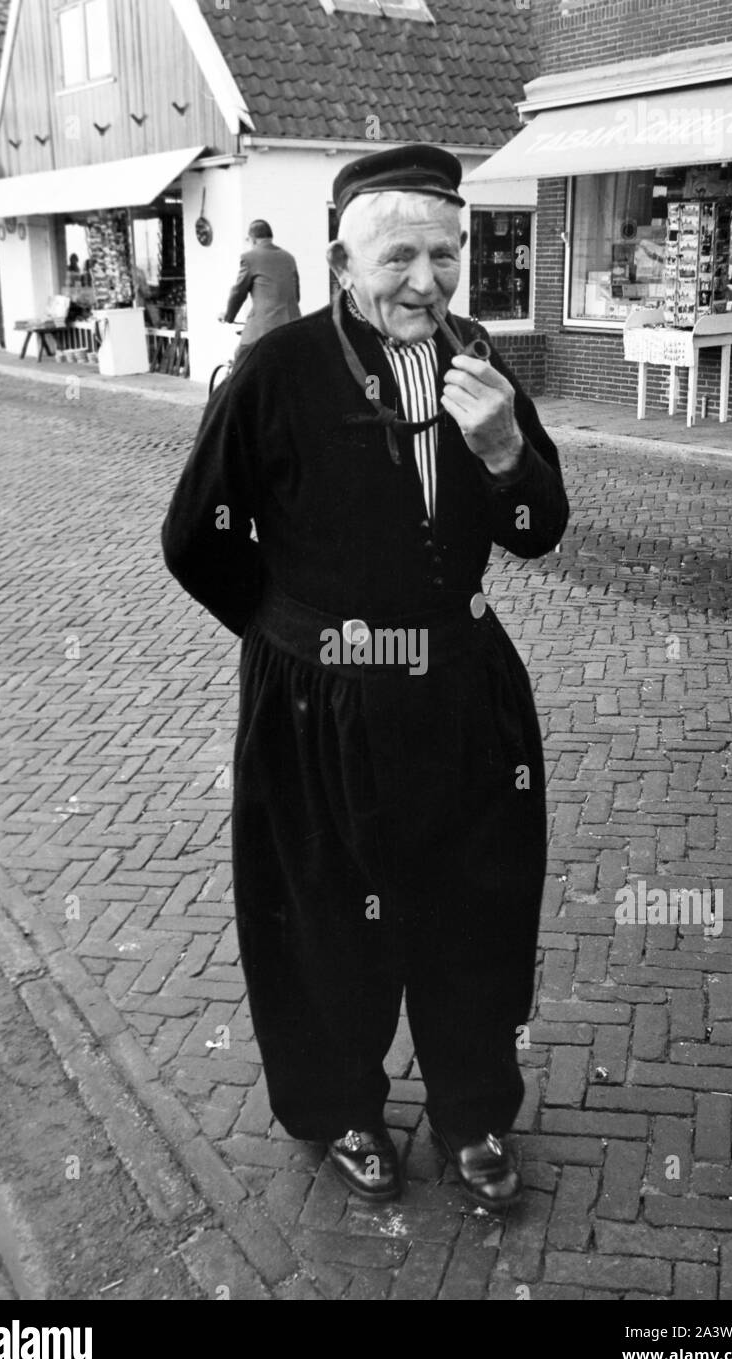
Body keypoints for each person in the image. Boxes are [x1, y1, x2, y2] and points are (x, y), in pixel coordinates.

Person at [162, 145, 569, 1212]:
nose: (426, 282)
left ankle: (473, 1114)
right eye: (400, 256)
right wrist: (294, 636)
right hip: (320, 705)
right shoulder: (278, 370)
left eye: (446, 254)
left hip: (464, 694)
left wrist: (500, 453)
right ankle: (341, 1105)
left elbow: (536, 530)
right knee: (324, 920)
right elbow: (195, 536)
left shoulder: (478, 358)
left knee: (475, 911)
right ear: (344, 257)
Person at [219, 220, 300, 372]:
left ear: (253, 239)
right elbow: (296, 295)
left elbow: (238, 292)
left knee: (240, 357)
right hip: (292, 327)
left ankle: (233, 395)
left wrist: (228, 316)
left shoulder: (249, 258)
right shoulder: (289, 258)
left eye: (248, 241)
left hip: (264, 329)